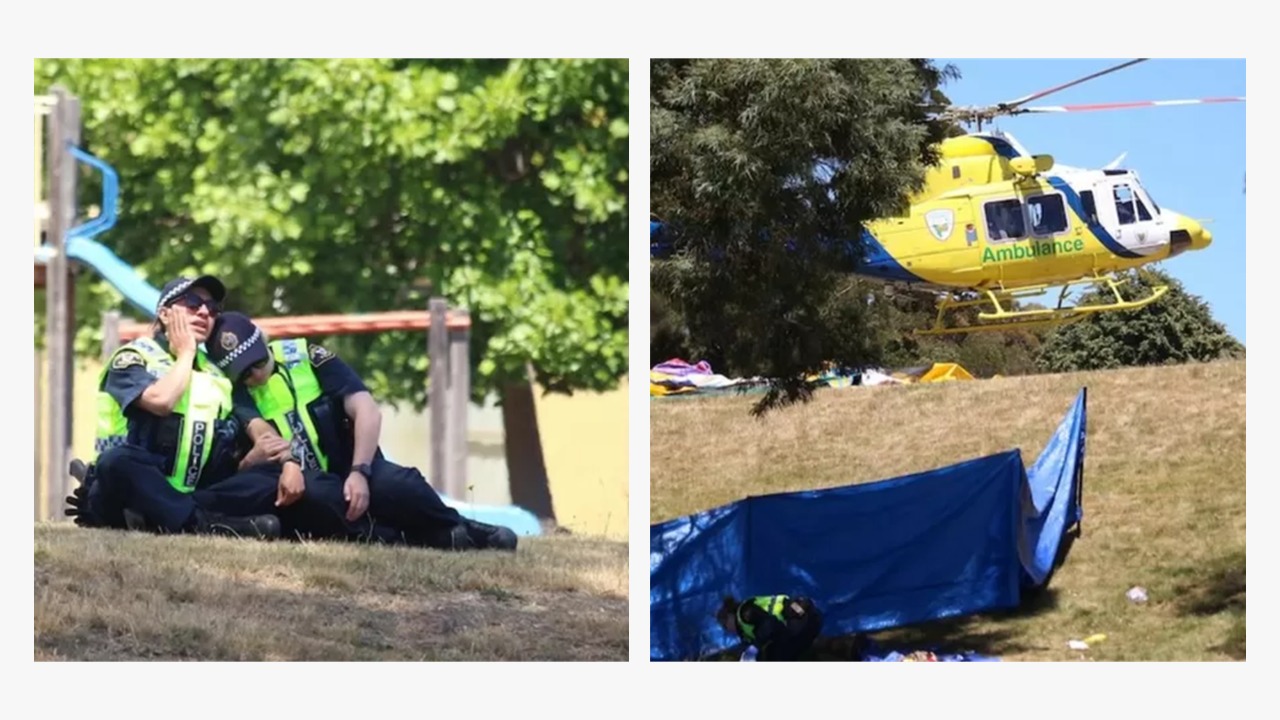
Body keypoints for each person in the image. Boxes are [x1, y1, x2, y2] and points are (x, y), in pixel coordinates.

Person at [65, 275, 361, 542]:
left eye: (212, 307)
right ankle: (207, 525)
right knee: (117, 462)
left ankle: (169, 520)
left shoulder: (219, 373)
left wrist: (286, 462)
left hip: (198, 495)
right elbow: (161, 401)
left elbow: (257, 427)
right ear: (164, 313)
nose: (205, 311)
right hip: (133, 487)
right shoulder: (134, 357)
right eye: (192, 303)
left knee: (281, 482)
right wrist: (186, 353)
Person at [204, 311, 518, 552]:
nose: (255, 375)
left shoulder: (306, 357)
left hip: (351, 464)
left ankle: (460, 527)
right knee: (320, 497)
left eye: (257, 362)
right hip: (304, 485)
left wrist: (360, 471)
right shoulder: (235, 393)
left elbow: (366, 409)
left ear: (264, 339)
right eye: (243, 373)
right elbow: (261, 434)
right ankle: (416, 539)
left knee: (398, 484)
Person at [716, 593, 825, 661]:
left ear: (730, 616)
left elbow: (770, 624)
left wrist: (755, 647)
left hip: (802, 621)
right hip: (806, 621)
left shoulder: (746, 613)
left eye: (725, 626)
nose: (728, 631)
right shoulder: (744, 628)